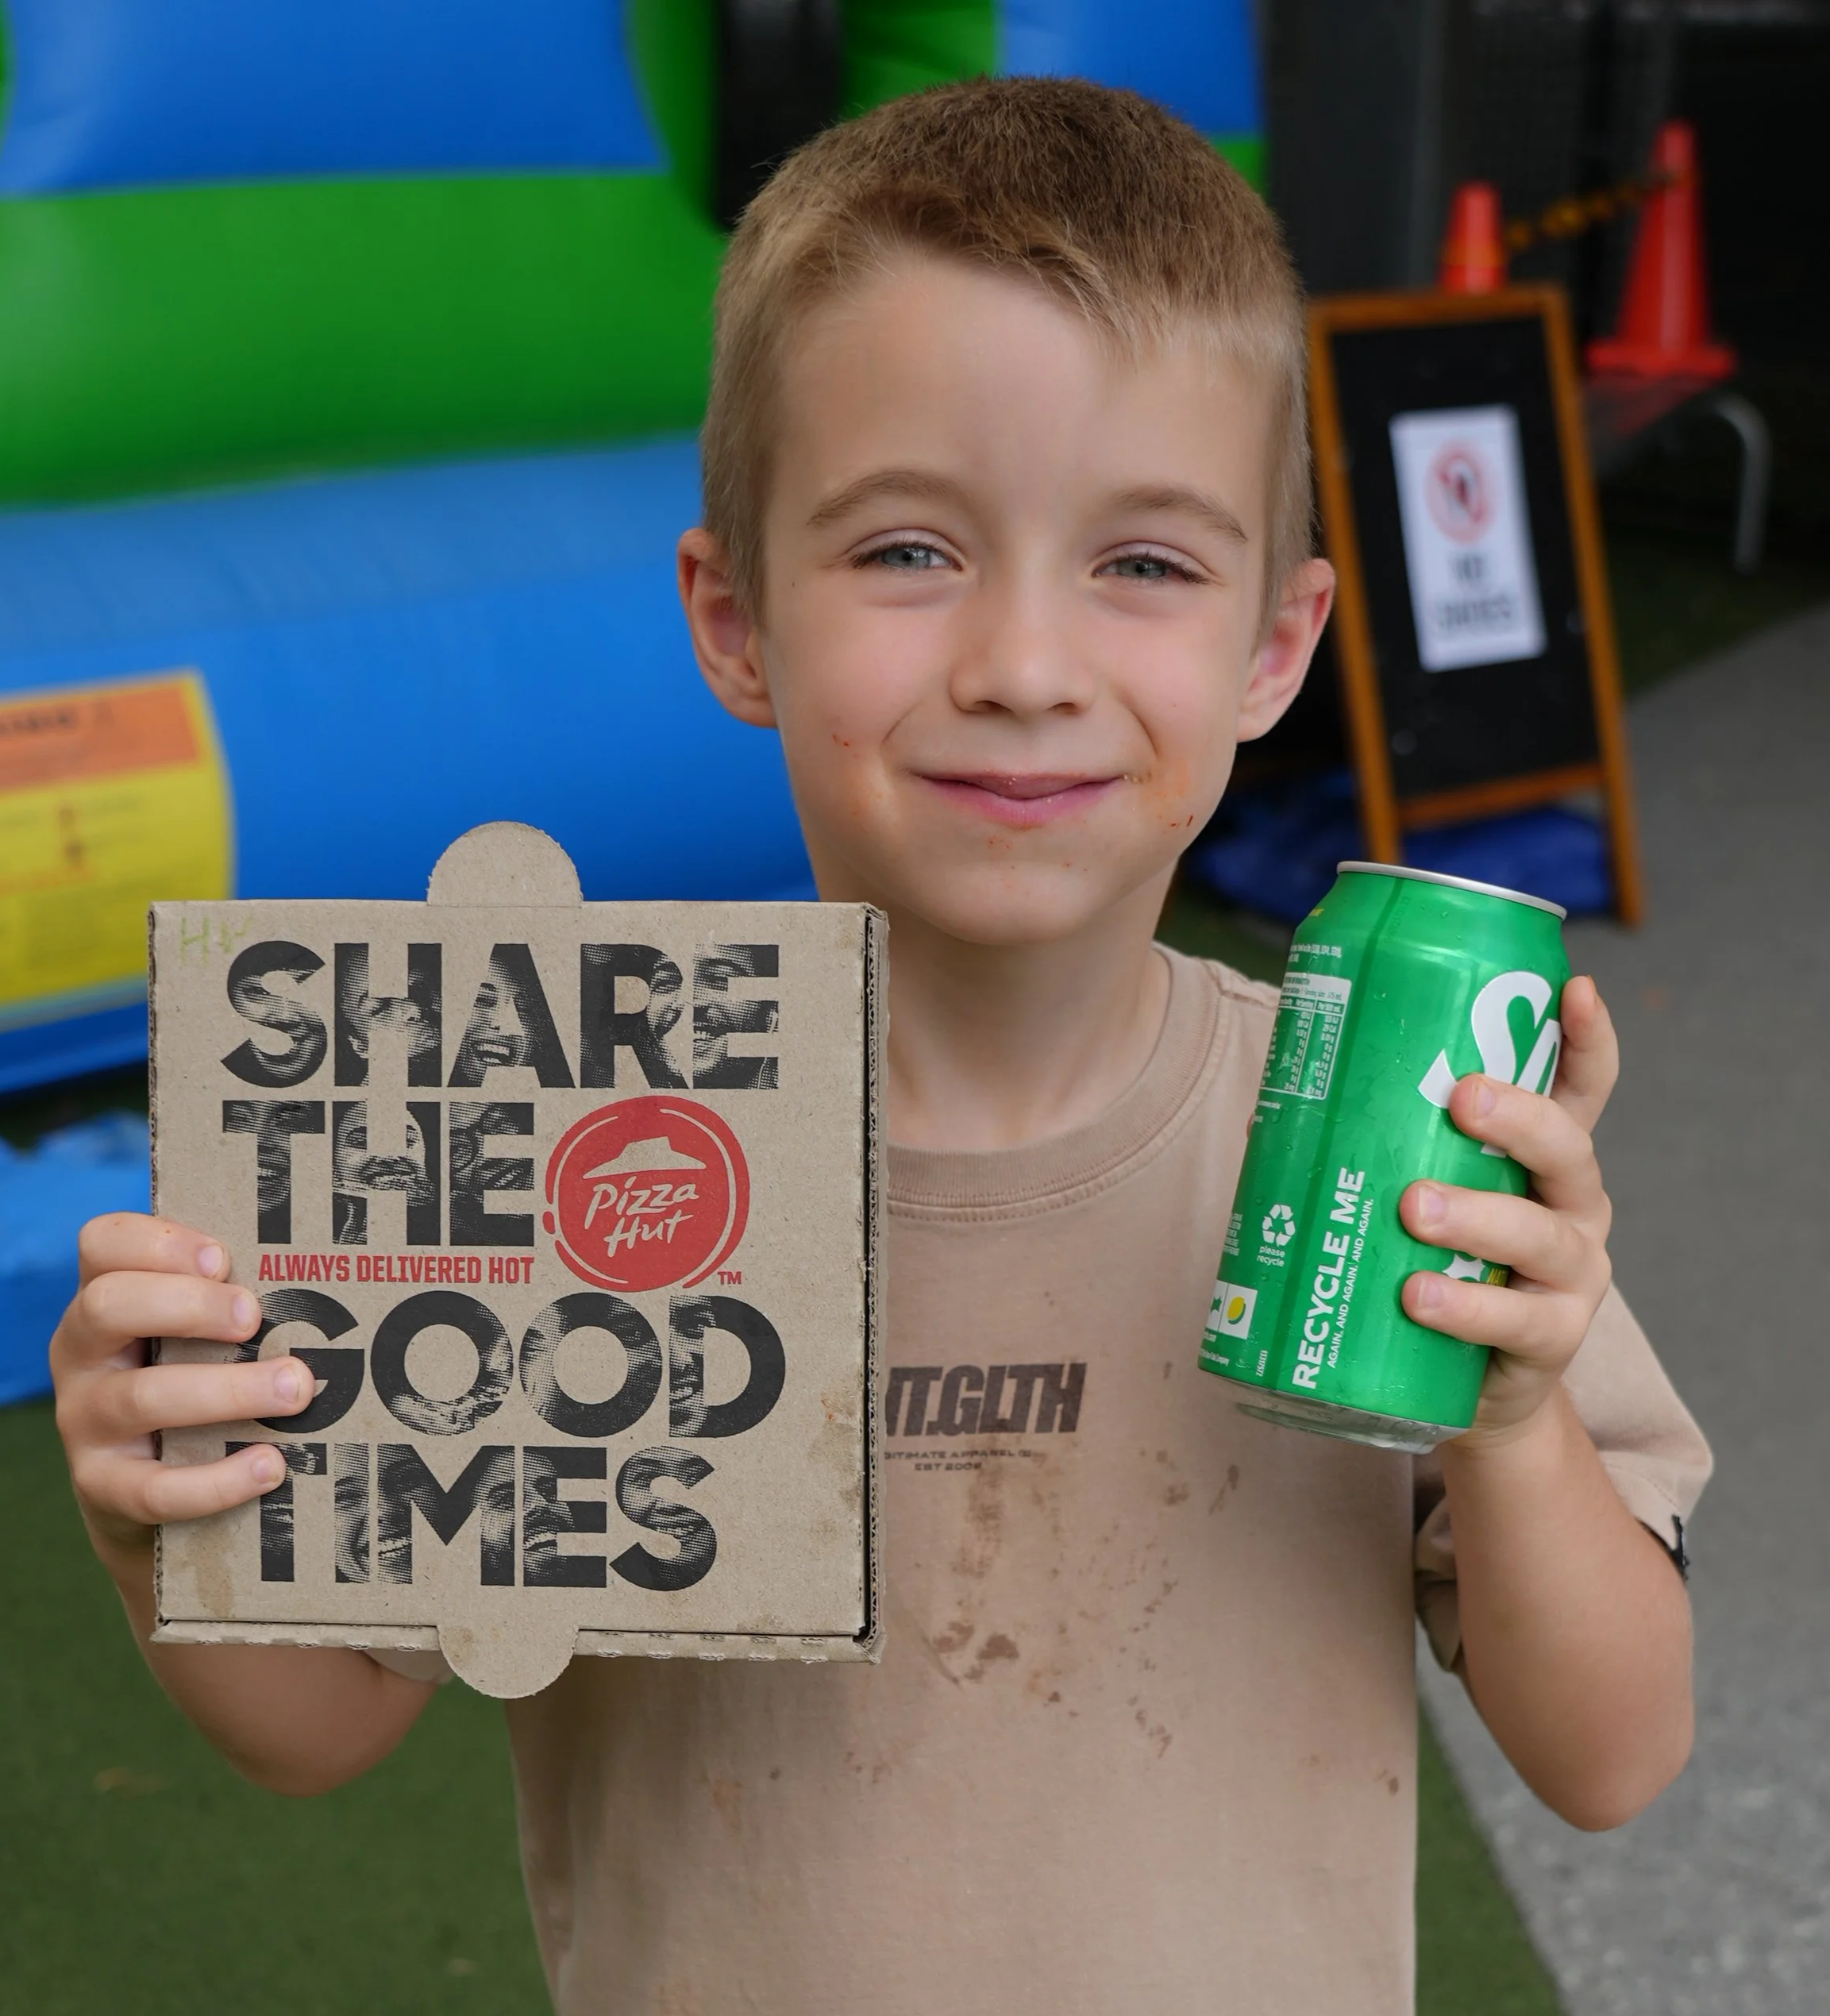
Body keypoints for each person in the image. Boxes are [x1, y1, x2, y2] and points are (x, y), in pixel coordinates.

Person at [48, 79, 1709, 2014]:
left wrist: (1511, 1426)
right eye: (909, 550)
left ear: (1277, 645)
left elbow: (1613, 1756)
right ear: (735, 618)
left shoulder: (1389, 1147)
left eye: (1147, 563)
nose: (1021, 660)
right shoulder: (573, 1130)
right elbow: (315, 1722)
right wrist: (153, 1499)